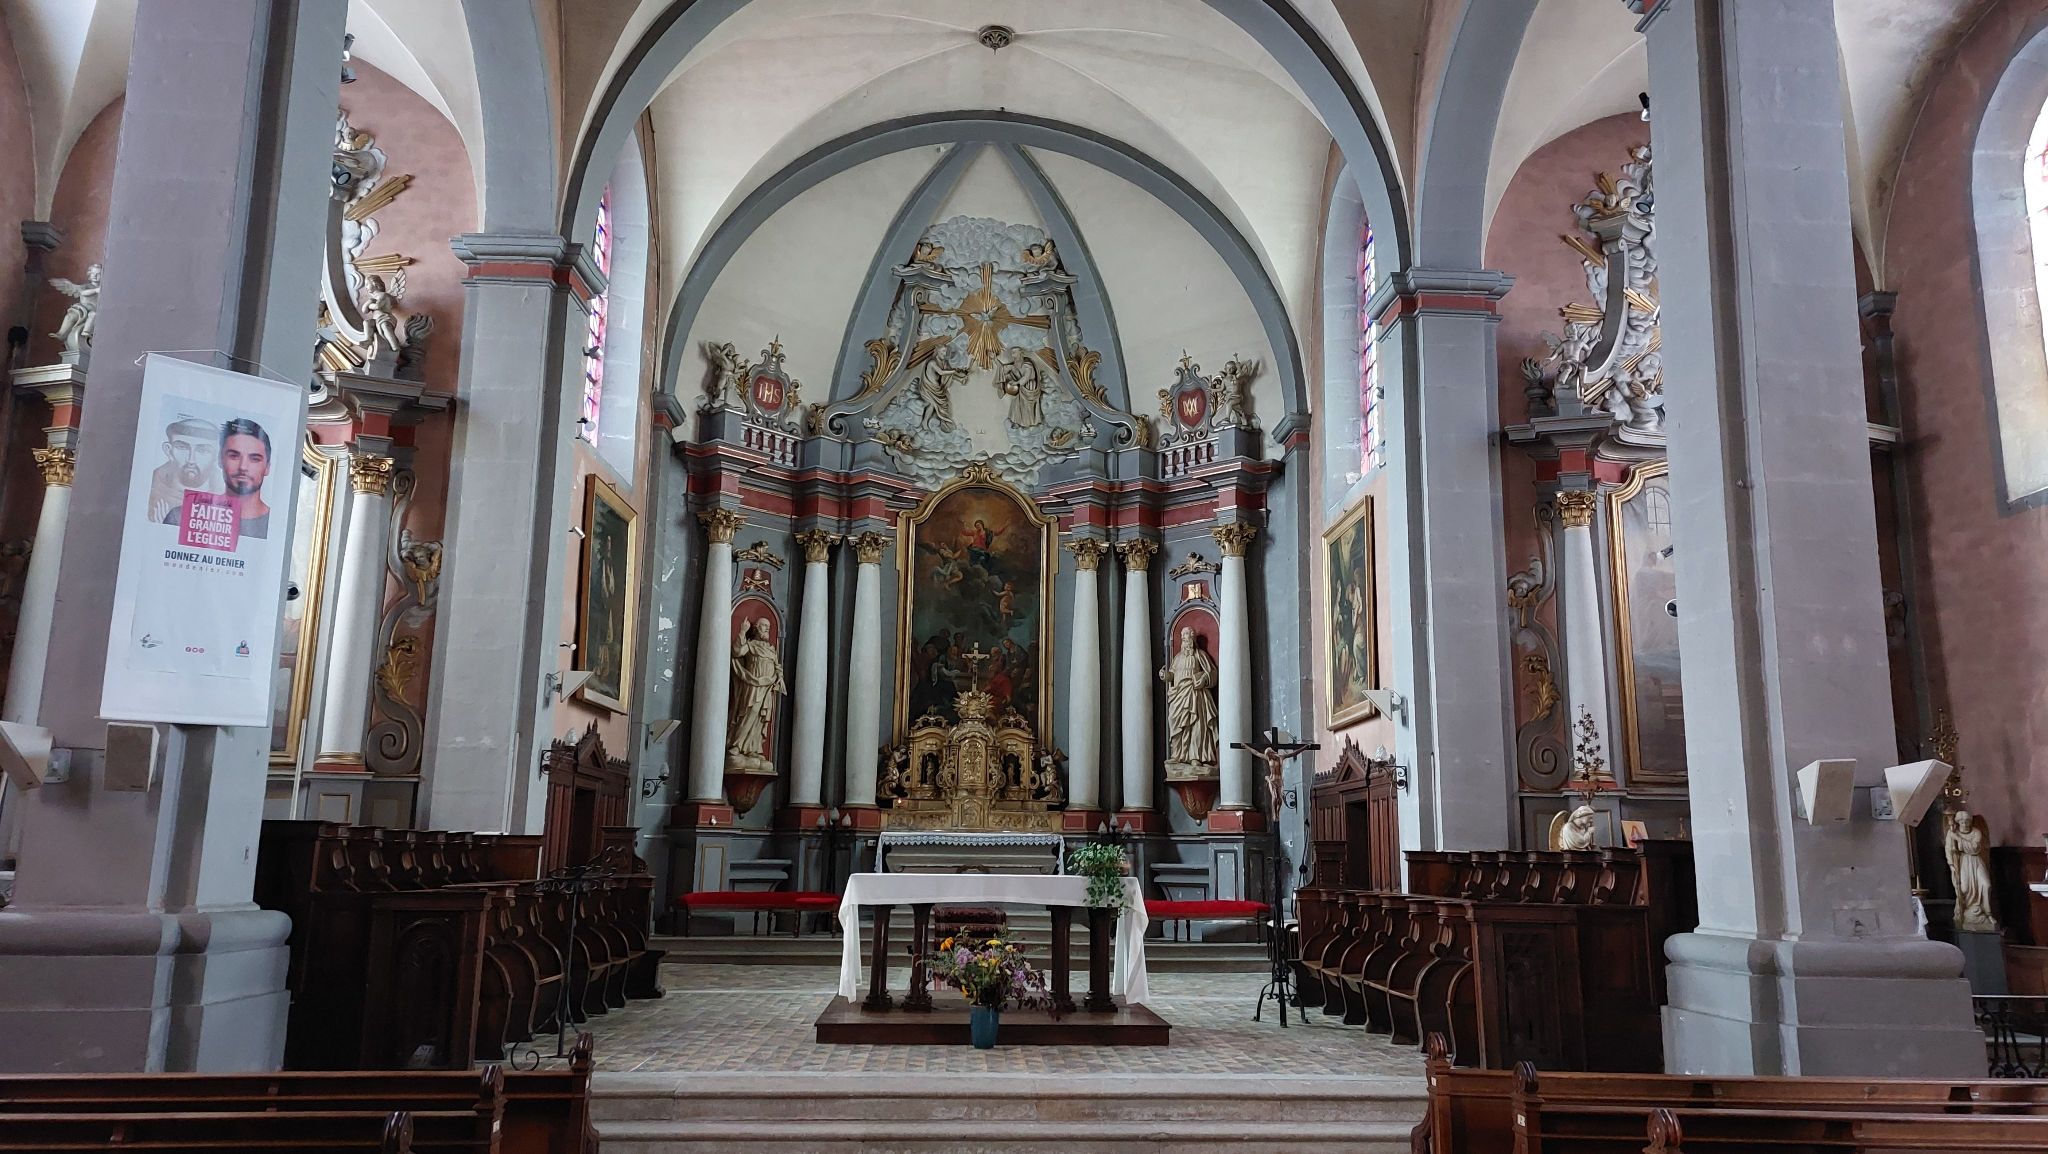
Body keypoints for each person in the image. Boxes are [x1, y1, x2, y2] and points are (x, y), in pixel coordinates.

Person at [727, 618, 786, 762]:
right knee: (749, 713)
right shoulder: (751, 645)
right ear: (756, 628)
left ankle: (753, 748)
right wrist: (742, 631)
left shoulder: (771, 649)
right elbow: (737, 652)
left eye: (768, 626)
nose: (767, 628)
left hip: (767, 687)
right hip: (752, 685)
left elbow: (777, 666)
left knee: (760, 718)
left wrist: (779, 676)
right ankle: (736, 745)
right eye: (764, 625)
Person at [1158, 627, 1218, 767]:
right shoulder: (1177, 658)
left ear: (1192, 638)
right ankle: (1178, 755)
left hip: (1195, 694)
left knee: (1195, 726)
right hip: (1179, 696)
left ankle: (1195, 756)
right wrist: (1165, 675)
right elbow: (1172, 675)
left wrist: (1204, 679)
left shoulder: (1200, 655)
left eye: (1186, 635)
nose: (1184, 638)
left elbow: (1212, 673)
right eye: (1182, 636)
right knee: (1176, 722)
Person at [150, 416, 222, 524]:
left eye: (203, 451)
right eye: (182, 448)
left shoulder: (227, 496)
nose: (191, 460)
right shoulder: (151, 490)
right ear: (168, 450)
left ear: (217, 456)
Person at [1945, 807, 1998, 933]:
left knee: (1986, 885)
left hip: (1976, 861)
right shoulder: (1952, 833)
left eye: (1967, 821)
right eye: (1962, 822)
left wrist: (1958, 838)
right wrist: (1952, 864)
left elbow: (1974, 848)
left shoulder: (1976, 832)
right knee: (1963, 889)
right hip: (1962, 863)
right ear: (1958, 822)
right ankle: (1963, 914)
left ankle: (1987, 913)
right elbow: (1948, 849)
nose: (1965, 824)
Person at [218, 418, 273, 538]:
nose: (243, 467)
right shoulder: (184, 515)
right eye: (234, 456)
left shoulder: (278, 525)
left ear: (267, 467)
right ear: (220, 460)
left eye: (254, 459)